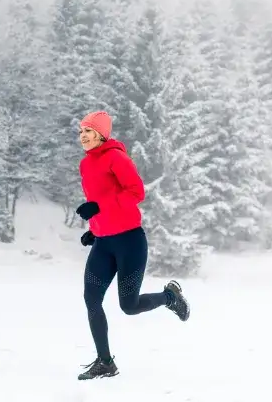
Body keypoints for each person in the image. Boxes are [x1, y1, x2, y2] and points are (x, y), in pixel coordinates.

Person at [75, 110, 190, 381]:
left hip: (129, 242)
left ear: (102, 134)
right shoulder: (85, 165)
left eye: (89, 131)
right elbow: (99, 199)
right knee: (91, 299)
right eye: (80, 132)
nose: (83, 136)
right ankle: (105, 362)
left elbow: (136, 192)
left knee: (129, 306)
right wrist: (94, 229)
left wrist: (98, 208)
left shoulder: (116, 158)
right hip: (104, 243)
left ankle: (170, 297)